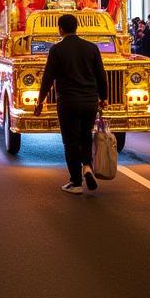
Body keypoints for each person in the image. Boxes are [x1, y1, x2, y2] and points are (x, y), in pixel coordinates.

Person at [34, 13, 108, 195]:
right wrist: (103, 97)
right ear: (77, 27)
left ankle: (76, 182)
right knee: (85, 136)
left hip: (68, 101)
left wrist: (40, 101)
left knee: (70, 141)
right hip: (90, 100)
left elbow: (48, 78)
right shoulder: (91, 48)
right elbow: (101, 74)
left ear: (60, 29)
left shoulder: (56, 50)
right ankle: (88, 167)